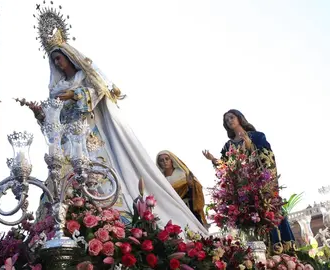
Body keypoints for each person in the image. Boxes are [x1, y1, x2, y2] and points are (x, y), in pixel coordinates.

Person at [18, 13, 209, 236]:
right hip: (66, 141)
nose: (57, 63)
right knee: (61, 180)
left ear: (69, 57)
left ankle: (106, 223)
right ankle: (61, 226)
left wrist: (75, 94)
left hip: (89, 136)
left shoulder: (83, 76)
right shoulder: (56, 87)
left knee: (97, 176)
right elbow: (54, 122)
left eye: (58, 58)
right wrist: (40, 114)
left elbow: (100, 90)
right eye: (54, 61)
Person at [202, 109, 295, 252]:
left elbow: (268, 156)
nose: (230, 121)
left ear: (239, 118)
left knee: (269, 211)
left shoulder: (257, 136)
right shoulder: (228, 146)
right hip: (243, 189)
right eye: (227, 120)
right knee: (249, 218)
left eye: (231, 117)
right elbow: (227, 167)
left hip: (260, 184)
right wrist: (213, 159)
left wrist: (250, 145)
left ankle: (280, 247)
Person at [156, 151, 208, 227]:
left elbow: (196, 187)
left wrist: (191, 185)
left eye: (167, 159)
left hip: (188, 207)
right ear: (159, 163)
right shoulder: (160, 179)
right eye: (161, 160)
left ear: (171, 160)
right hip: (173, 210)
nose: (165, 162)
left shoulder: (182, 172)